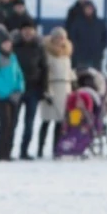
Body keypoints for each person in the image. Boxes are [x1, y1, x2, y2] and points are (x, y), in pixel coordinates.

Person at [0, 31, 25, 162]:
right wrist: (8, 92)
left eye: (9, 43)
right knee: (4, 123)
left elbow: (19, 73)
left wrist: (20, 88)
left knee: (12, 124)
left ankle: (7, 152)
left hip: (13, 95)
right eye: (5, 43)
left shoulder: (12, 56)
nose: (8, 46)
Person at [38, 28, 74, 160]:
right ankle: (40, 148)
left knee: (60, 122)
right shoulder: (47, 53)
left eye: (62, 38)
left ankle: (56, 149)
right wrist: (47, 91)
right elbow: (46, 72)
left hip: (65, 89)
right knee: (47, 121)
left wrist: (74, 83)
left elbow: (69, 70)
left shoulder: (66, 54)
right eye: (58, 37)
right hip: (52, 87)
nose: (60, 40)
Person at [15, 21, 49, 160]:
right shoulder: (15, 47)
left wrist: (43, 89)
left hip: (33, 91)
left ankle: (24, 150)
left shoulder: (39, 48)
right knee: (12, 122)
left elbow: (45, 69)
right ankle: (7, 149)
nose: (28, 33)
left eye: (30, 30)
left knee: (29, 123)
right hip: (16, 90)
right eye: (25, 30)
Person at [65, 0, 107, 71]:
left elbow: (105, 37)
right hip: (80, 54)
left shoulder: (99, 23)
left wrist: (100, 49)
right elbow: (71, 32)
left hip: (95, 55)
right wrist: (76, 49)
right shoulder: (74, 14)